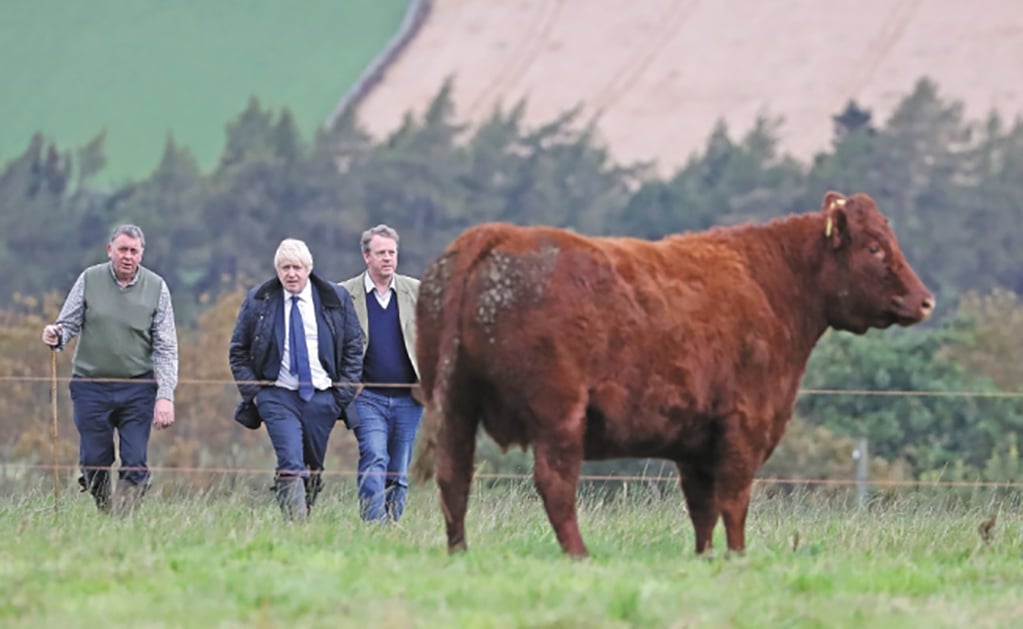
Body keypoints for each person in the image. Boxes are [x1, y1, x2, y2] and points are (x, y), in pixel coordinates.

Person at [41, 224, 178, 515]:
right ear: (109, 251)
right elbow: (68, 322)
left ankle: (122, 519)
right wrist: (57, 335)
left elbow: (166, 346)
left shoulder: (157, 288)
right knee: (94, 458)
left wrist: (165, 396)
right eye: (122, 250)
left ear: (142, 254)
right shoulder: (90, 279)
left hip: (138, 388)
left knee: (134, 460)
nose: (127, 256)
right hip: (90, 385)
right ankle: (105, 510)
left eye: (133, 251)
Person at [229, 238, 363, 521]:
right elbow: (238, 350)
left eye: (297, 268)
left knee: (313, 466)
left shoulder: (334, 299)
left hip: (323, 396)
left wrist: (342, 395)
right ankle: (295, 524)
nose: (291, 274)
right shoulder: (259, 300)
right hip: (277, 395)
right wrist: (255, 393)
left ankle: (306, 511)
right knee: (290, 461)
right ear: (277, 270)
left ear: (309, 269)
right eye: (285, 268)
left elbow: (353, 346)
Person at [340, 225, 423, 523]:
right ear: (366, 257)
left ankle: (392, 527)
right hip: (367, 397)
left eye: (392, 252)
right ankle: (374, 524)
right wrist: (347, 382)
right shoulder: (345, 294)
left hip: (409, 398)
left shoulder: (415, 291)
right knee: (374, 457)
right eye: (381, 253)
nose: (388, 258)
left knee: (398, 469)